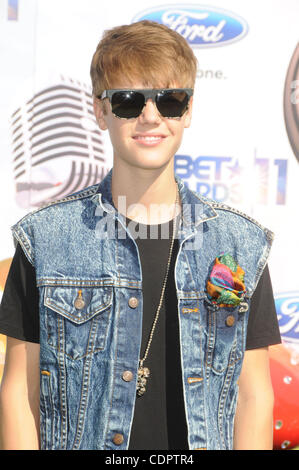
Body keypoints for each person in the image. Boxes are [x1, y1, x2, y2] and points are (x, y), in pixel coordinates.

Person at [0, 20, 281, 450]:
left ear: (187, 111)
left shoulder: (237, 244)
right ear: (101, 110)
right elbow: (20, 394)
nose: (151, 116)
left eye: (169, 100)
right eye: (130, 101)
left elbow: (253, 395)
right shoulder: (45, 240)